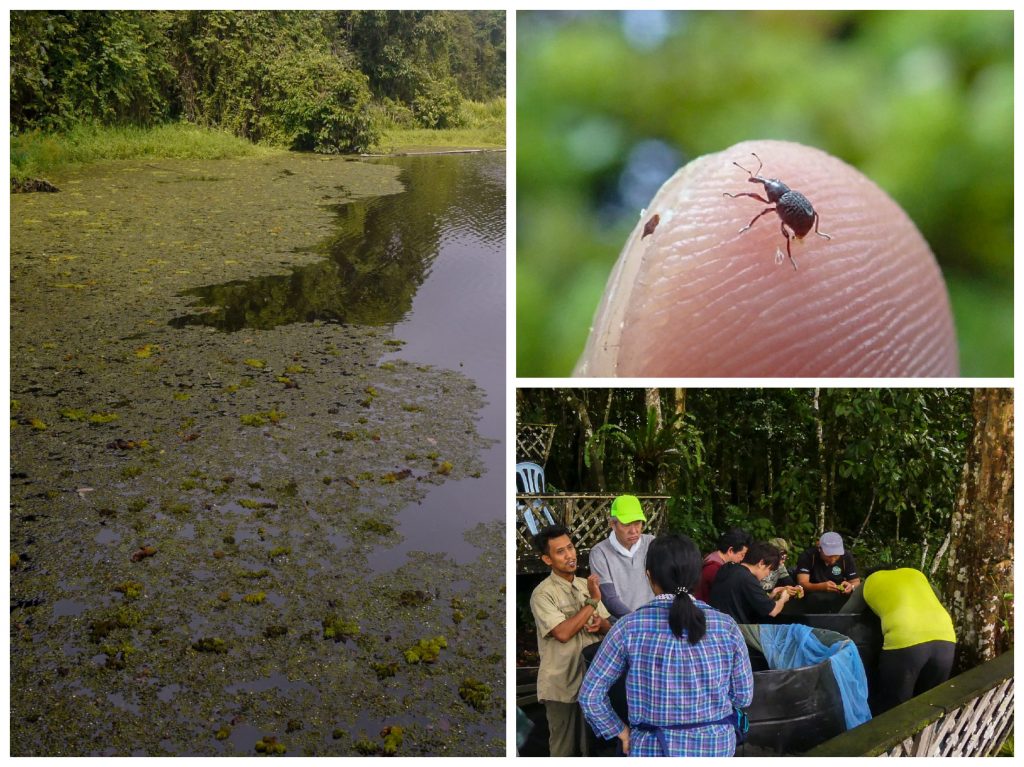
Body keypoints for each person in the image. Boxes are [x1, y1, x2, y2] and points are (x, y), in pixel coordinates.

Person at [578, 534, 753, 757]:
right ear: (696, 576)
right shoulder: (726, 626)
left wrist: (620, 731)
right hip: (716, 746)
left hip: (653, 748)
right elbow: (743, 696)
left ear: (649, 576)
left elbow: (590, 695)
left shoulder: (628, 628)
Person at [529, 525, 612, 756]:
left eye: (570, 547)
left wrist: (601, 625)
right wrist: (594, 600)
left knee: (591, 749)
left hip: (593, 685)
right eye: (560, 552)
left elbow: (609, 628)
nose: (570, 555)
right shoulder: (542, 594)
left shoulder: (586, 585)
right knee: (564, 751)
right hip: (562, 686)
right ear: (547, 559)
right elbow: (563, 633)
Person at [841, 567, 956, 712]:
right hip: (945, 635)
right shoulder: (915, 574)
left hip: (905, 638)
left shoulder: (868, 582)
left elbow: (845, 615)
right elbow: (937, 594)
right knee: (931, 704)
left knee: (894, 707)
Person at [588, 495, 655, 619]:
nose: (634, 530)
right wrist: (637, 621)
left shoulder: (652, 544)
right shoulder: (599, 553)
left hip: (654, 618)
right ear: (612, 524)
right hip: (622, 624)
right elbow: (609, 599)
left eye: (638, 523)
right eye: (627, 525)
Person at [708, 541, 792, 624]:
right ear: (761, 563)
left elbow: (748, 599)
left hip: (715, 621)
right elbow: (773, 611)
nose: (768, 574)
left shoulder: (727, 567)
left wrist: (771, 595)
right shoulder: (748, 579)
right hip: (734, 628)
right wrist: (783, 598)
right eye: (769, 569)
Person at [696, 527, 753, 601]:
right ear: (731, 550)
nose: (742, 559)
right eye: (742, 555)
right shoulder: (714, 568)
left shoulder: (713, 557)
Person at [794, 532, 860, 594]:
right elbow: (802, 583)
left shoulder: (846, 557)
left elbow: (855, 581)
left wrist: (851, 587)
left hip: (838, 596)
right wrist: (821, 587)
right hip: (813, 596)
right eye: (829, 555)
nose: (833, 560)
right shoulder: (808, 556)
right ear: (820, 548)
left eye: (836, 555)